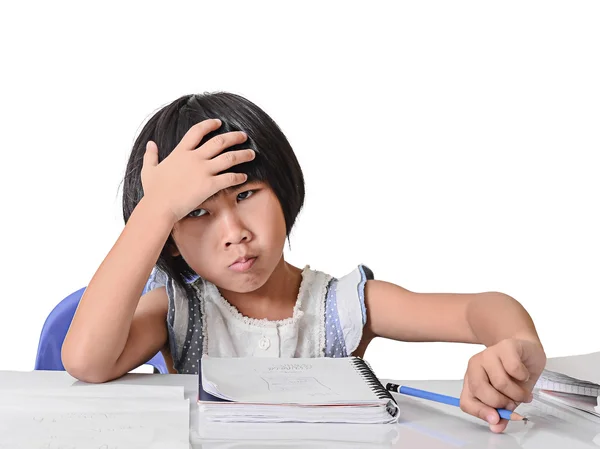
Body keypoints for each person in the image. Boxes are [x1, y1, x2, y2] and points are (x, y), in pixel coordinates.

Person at [62, 92, 546, 433]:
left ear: (284, 191)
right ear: (167, 239)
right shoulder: (176, 313)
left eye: (247, 194)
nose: (234, 233)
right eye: (197, 213)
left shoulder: (341, 307)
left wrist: (516, 349)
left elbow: (481, 308)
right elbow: (85, 361)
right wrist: (155, 208)